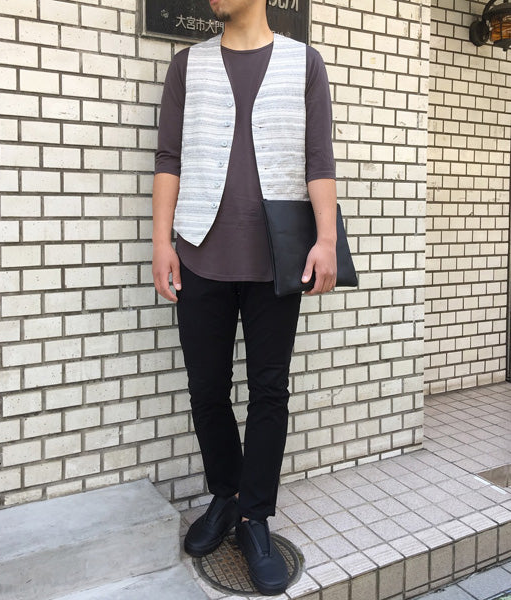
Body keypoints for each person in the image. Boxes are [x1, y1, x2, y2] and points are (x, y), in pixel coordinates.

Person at [152, 0, 336, 595]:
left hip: (276, 256)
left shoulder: (304, 63)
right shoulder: (188, 65)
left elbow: (318, 159)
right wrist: (162, 243)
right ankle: (226, 495)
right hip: (199, 249)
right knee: (206, 388)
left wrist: (326, 241)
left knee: (269, 391)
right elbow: (169, 158)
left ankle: (255, 517)